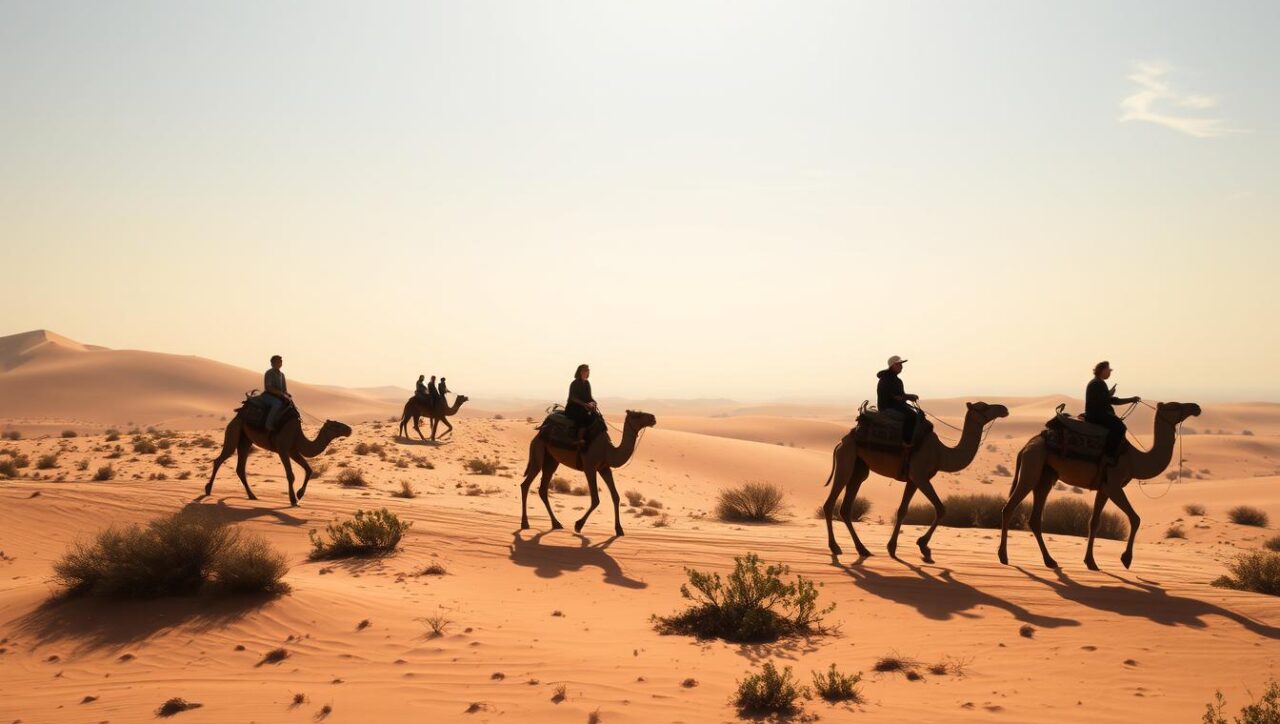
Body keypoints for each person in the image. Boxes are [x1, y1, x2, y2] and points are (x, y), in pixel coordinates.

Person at [1085, 360, 1140, 464]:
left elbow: (1103, 399)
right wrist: (1131, 399)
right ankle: (1108, 454)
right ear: (1103, 370)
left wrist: (1108, 394)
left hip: (1096, 413)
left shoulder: (1098, 382)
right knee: (1120, 428)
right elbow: (1111, 401)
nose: (1109, 373)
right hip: (1097, 415)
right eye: (1108, 370)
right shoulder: (1098, 383)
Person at [876, 355, 924, 444]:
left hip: (896, 406)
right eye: (898, 364)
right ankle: (906, 442)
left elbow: (901, 395)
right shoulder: (886, 379)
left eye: (901, 364)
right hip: (887, 407)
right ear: (892, 365)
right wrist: (909, 397)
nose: (901, 366)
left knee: (920, 414)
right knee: (911, 415)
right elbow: (896, 397)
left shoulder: (897, 380)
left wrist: (910, 396)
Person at [565, 363, 599, 446]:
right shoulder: (574, 383)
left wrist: (594, 403)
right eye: (586, 370)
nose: (587, 372)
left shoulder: (587, 383)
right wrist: (584, 404)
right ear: (581, 372)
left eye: (588, 370)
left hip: (584, 407)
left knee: (596, 416)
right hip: (573, 408)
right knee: (583, 417)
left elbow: (589, 397)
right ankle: (579, 439)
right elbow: (572, 397)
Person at [263, 354, 292, 432]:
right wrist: (281, 394)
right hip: (268, 396)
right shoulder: (269, 373)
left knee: (291, 405)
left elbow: (284, 389)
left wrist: (287, 395)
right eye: (277, 362)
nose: (279, 363)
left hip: (279, 396)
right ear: (272, 363)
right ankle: (268, 424)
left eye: (280, 362)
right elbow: (268, 387)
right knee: (277, 404)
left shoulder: (282, 375)